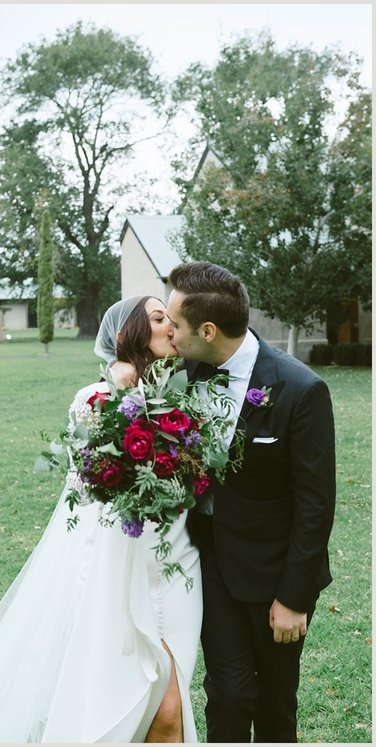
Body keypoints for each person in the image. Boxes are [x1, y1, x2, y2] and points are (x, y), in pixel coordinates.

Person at [0, 296, 202, 743]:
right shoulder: (92, 399)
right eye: (157, 318)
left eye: (170, 318)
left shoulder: (182, 398)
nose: (170, 326)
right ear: (129, 333)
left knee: (168, 707)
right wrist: (121, 393)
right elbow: (89, 487)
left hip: (172, 568)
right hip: (114, 569)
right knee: (143, 704)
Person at [165, 261, 335, 742]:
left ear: (208, 329)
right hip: (213, 564)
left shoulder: (301, 391)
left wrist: (293, 598)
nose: (171, 333)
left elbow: (316, 505)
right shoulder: (184, 375)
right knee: (229, 694)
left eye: (176, 324)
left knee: (276, 700)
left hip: (275, 574)